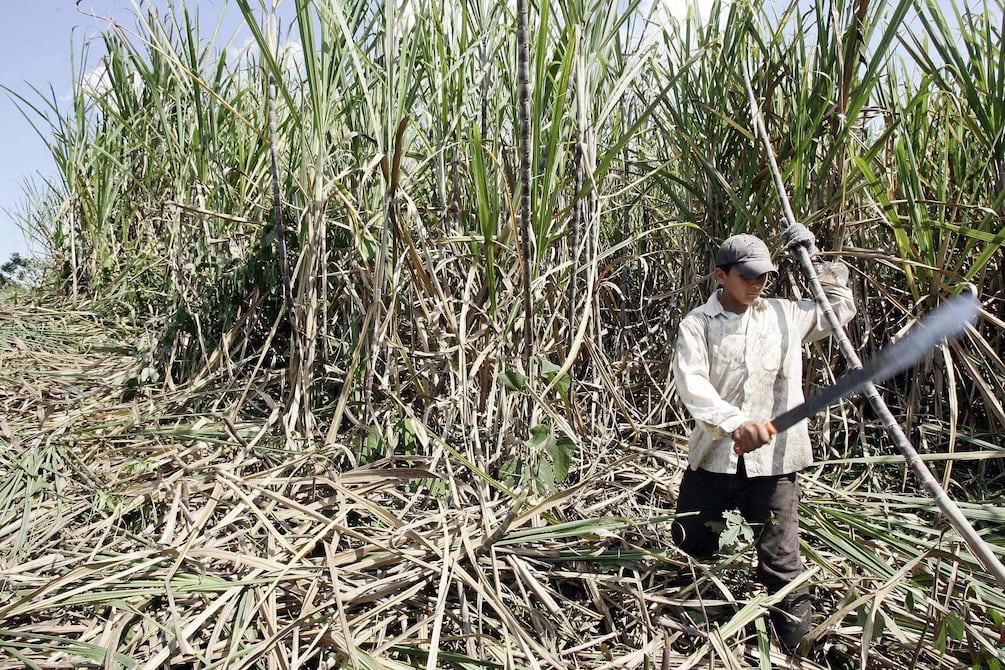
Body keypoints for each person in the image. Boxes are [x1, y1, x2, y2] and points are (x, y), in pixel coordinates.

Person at [670, 225, 856, 654]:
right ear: (721, 276)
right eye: (747, 275)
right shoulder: (698, 325)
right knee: (692, 545)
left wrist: (819, 262)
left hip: (775, 465)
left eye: (764, 276)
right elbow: (693, 386)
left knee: (782, 564)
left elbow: (838, 311)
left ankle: (797, 652)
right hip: (713, 460)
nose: (757, 284)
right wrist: (737, 423)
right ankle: (686, 643)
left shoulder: (785, 316)